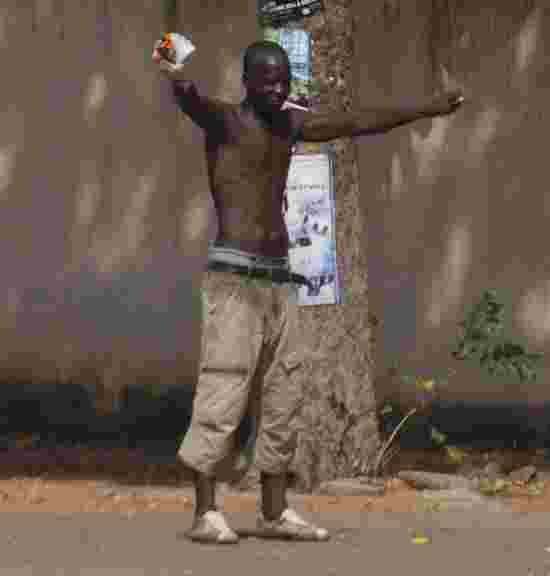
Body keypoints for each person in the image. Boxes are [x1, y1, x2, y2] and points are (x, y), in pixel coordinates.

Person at [152, 38, 464, 544]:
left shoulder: (292, 124)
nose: (277, 90)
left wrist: (429, 106)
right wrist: (171, 67)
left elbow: (358, 121)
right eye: (267, 82)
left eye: (283, 82)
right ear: (247, 83)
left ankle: (274, 511)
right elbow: (189, 98)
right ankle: (205, 513)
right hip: (235, 280)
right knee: (222, 391)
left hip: (281, 279)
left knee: (285, 396)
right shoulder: (226, 122)